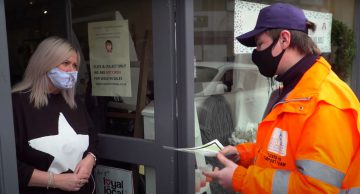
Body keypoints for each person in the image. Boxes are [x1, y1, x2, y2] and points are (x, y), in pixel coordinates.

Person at [203, 3, 360, 193]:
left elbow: (314, 188)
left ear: (285, 39)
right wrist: (241, 154)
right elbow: (282, 153)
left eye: (260, 44)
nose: (256, 54)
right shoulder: (293, 90)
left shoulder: (326, 103)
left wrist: (240, 179)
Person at [12, 36, 98, 194]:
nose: (72, 70)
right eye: (65, 63)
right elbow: (9, 165)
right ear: (45, 63)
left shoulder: (74, 103)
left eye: (75, 65)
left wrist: (90, 159)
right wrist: (55, 181)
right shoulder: (17, 105)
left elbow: (92, 137)